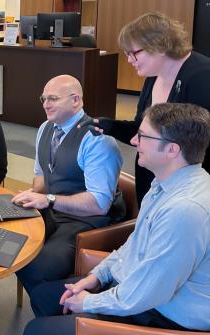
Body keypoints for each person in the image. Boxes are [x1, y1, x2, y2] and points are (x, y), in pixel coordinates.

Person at [23, 102, 210, 335]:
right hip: (137, 290)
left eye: (142, 136)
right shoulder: (164, 183)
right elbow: (135, 245)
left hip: (162, 315)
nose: (133, 142)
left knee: (37, 330)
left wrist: (87, 302)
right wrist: (96, 277)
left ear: (172, 150)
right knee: (43, 297)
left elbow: (149, 292)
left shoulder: (185, 211)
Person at [80, 12, 210, 206]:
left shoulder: (202, 76)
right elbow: (143, 131)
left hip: (185, 191)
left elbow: (200, 145)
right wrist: (110, 126)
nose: (130, 60)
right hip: (151, 177)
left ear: (159, 45)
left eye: (134, 53)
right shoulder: (153, 75)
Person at [12, 75, 125, 294]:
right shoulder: (45, 128)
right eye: (43, 98)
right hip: (53, 211)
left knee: (34, 269)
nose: (46, 104)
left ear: (75, 100)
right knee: (8, 243)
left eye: (53, 98)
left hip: (84, 223)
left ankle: (63, 309)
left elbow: (99, 204)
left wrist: (48, 199)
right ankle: (49, 301)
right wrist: (33, 193)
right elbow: (42, 178)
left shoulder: (97, 140)